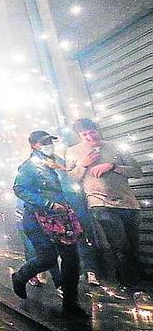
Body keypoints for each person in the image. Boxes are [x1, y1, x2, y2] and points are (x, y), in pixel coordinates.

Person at [12, 131, 87, 319]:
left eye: (50, 141)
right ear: (34, 145)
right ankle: (20, 276)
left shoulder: (57, 163)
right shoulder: (30, 166)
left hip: (62, 217)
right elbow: (19, 188)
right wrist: (47, 204)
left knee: (72, 260)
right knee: (48, 259)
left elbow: (70, 184)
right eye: (44, 142)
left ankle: (70, 303)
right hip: (38, 219)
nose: (49, 144)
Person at [66, 118, 142, 287]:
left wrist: (113, 166)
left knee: (133, 246)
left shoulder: (115, 147)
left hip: (128, 202)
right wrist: (83, 165)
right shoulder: (73, 151)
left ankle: (124, 280)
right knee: (120, 244)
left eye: (91, 132)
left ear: (97, 130)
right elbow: (71, 178)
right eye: (84, 134)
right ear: (79, 135)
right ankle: (133, 287)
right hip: (99, 202)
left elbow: (138, 171)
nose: (88, 136)